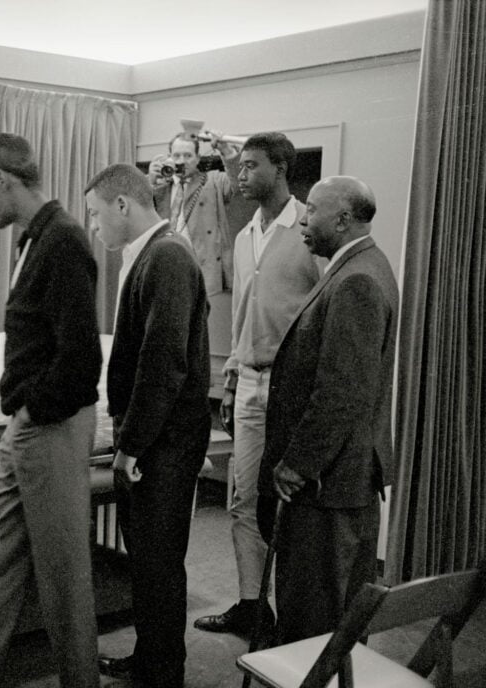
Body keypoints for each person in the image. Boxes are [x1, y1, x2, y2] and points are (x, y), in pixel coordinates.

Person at [0, 133, 102, 688]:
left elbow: (82, 360)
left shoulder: (64, 241)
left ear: (4, 180)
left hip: (51, 426)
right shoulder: (34, 239)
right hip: (27, 427)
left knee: (64, 578)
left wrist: (34, 409)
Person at [257, 176, 398, 644]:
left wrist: (297, 463)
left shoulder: (356, 279)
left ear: (342, 219)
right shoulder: (366, 266)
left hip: (328, 485)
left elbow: (341, 393)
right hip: (342, 478)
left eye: (312, 210)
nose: (303, 218)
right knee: (336, 615)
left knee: (314, 619)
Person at [193, 132, 323, 639]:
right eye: (239, 166)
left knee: (289, 504)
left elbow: (325, 309)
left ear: (280, 169)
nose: (240, 175)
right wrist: (230, 380)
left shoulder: (309, 228)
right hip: (248, 382)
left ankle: (296, 618)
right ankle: (252, 606)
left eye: (250, 166)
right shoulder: (247, 233)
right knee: (243, 500)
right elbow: (242, 315)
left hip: (293, 388)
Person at [87, 164, 210, 688]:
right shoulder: (151, 255)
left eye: (96, 214)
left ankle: (163, 673)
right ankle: (150, 658)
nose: (94, 226)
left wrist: (131, 445)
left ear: (123, 205)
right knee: (147, 562)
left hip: (164, 442)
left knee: (159, 563)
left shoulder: (167, 256)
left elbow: (164, 361)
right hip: (157, 438)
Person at [148, 131, 240, 296]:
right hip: (167, 272)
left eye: (187, 155)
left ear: (198, 158)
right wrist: (149, 182)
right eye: (176, 155)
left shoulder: (213, 181)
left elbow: (237, 184)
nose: (181, 161)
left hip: (205, 275)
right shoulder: (159, 187)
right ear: (169, 158)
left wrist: (227, 152)